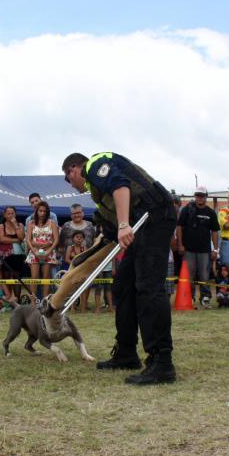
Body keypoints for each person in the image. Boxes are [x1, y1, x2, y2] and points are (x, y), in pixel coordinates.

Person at [62, 151, 176, 385]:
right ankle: (126, 351)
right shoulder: (97, 193)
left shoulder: (93, 165)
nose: (70, 184)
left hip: (154, 216)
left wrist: (124, 224)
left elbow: (121, 186)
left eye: (67, 178)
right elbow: (110, 232)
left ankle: (162, 361)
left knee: (148, 288)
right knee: (123, 286)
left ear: (74, 169)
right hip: (140, 221)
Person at [176, 186, 219, 307]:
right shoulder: (186, 209)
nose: (199, 198)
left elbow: (215, 231)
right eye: (197, 195)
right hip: (188, 249)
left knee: (204, 275)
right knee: (189, 275)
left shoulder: (211, 213)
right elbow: (179, 227)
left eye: (201, 195)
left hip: (205, 250)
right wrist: (180, 244)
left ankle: (205, 298)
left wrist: (215, 249)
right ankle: (190, 298)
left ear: (206, 197)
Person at [25, 200, 59, 301]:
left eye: (44, 211)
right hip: (34, 252)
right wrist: (34, 251)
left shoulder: (52, 223)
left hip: (48, 253)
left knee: (46, 278)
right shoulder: (31, 223)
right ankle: (33, 302)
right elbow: (28, 239)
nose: (42, 213)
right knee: (34, 277)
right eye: (40, 211)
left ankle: (45, 301)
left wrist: (48, 251)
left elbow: (56, 239)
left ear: (47, 212)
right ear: (36, 211)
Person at [0, 206, 26, 283]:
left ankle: (16, 295)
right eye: (8, 213)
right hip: (5, 256)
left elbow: (21, 237)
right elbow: (2, 239)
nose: (11, 215)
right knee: (6, 276)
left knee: (17, 278)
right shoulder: (1, 226)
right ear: (4, 215)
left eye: (12, 213)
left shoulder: (20, 225)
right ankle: (8, 295)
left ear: (15, 214)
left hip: (18, 255)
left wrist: (15, 225)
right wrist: (17, 240)